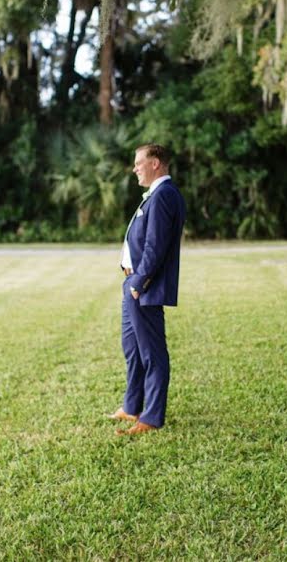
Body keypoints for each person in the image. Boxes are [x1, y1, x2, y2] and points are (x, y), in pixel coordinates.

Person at [108, 144, 186, 436]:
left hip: (143, 286)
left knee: (152, 352)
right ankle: (131, 407)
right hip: (133, 283)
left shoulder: (164, 195)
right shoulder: (155, 195)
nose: (135, 168)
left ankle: (151, 417)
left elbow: (156, 246)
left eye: (139, 163)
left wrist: (139, 283)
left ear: (155, 163)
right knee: (132, 349)